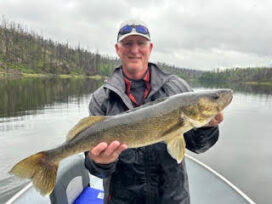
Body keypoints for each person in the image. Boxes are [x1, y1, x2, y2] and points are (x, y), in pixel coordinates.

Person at [84, 19, 223, 204]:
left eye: (141, 43)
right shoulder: (102, 99)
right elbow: (96, 170)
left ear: (150, 48)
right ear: (118, 49)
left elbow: (197, 146)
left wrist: (207, 128)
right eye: (127, 43)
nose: (135, 50)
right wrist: (99, 161)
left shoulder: (178, 88)